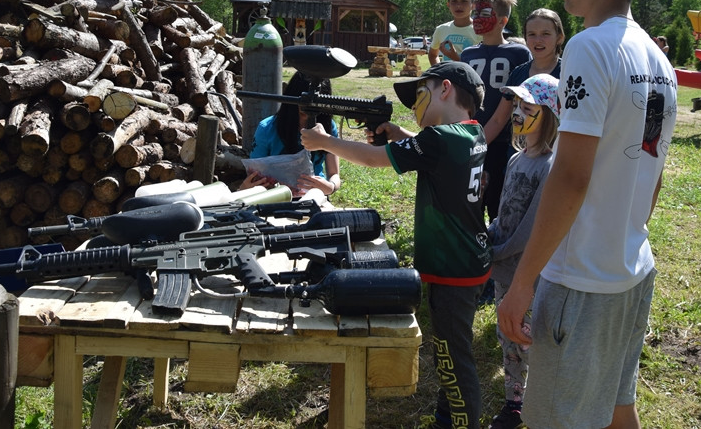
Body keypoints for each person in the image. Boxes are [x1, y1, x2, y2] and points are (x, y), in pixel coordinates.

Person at [497, 0, 678, 429]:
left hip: (581, 282)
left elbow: (571, 175)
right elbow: (653, 168)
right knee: (620, 408)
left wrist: (522, 284)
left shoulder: (589, 47)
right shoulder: (655, 58)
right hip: (632, 270)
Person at [301, 61, 491, 429]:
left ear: (446, 89)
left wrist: (324, 143)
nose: (416, 105)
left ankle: (460, 422)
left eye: (423, 93)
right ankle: (447, 417)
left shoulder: (439, 139)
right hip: (469, 261)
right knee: (450, 350)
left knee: (453, 357)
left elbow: (374, 160)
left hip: (451, 267)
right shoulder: (472, 133)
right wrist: (399, 133)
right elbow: (433, 154)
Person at [486, 73, 560, 429]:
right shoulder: (517, 158)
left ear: (549, 116)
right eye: (516, 105)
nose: (517, 112)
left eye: (527, 107)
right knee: (508, 337)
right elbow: (504, 213)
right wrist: (488, 236)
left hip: (527, 272)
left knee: (530, 337)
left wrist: (496, 249)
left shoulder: (550, 167)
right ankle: (515, 402)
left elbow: (532, 226)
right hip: (503, 266)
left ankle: (542, 399)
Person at [460, 0, 532, 223]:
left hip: (505, 140)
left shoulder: (519, 53)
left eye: (485, 13)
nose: (478, 18)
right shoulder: (468, 54)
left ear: (503, 20)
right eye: (476, 12)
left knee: (498, 198)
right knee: (471, 196)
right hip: (472, 135)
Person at [238, 71, 341, 197]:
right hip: (273, 198)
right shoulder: (267, 128)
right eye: (303, 102)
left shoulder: (328, 127)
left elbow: (334, 174)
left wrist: (331, 187)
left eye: (315, 105)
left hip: (314, 196)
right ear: (291, 98)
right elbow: (255, 175)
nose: (307, 109)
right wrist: (247, 188)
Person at [482, 8, 565, 148]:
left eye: (545, 34)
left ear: (559, 37)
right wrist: (474, 150)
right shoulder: (517, 74)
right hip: (520, 154)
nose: (538, 40)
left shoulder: (568, 74)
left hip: (555, 157)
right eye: (532, 34)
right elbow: (498, 120)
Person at [429, 0, 482, 65]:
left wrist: (456, 58)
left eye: (464, 1)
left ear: (473, 5)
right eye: (454, 1)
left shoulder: (481, 31)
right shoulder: (441, 29)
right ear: (448, 5)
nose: (458, 6)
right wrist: (439, 73)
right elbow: (433, 55)